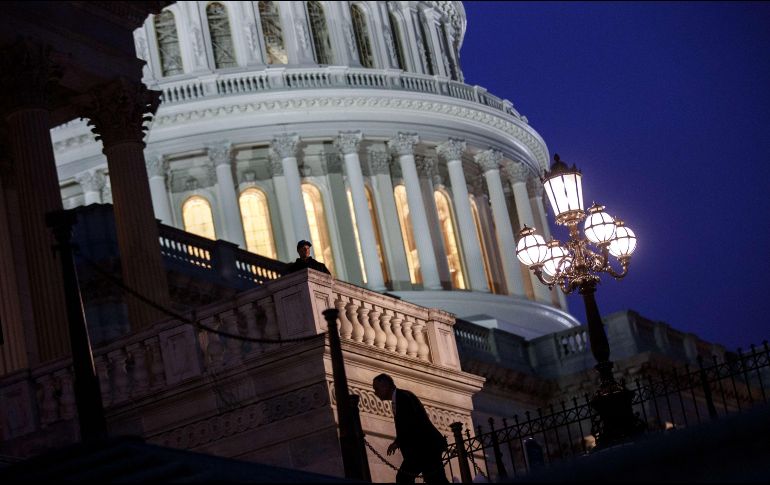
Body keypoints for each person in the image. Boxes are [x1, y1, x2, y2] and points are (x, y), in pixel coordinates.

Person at [372, 373, 449, 484]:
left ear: (386, 385)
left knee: (404, 478)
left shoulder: (402, 397)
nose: (375, 393)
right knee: (434, 480)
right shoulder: (400, 397)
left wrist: (398, 442)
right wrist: (398, 442)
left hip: (424, 448)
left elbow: (410, 423)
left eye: (376, 388)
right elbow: (407, 423)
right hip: (423, 448)